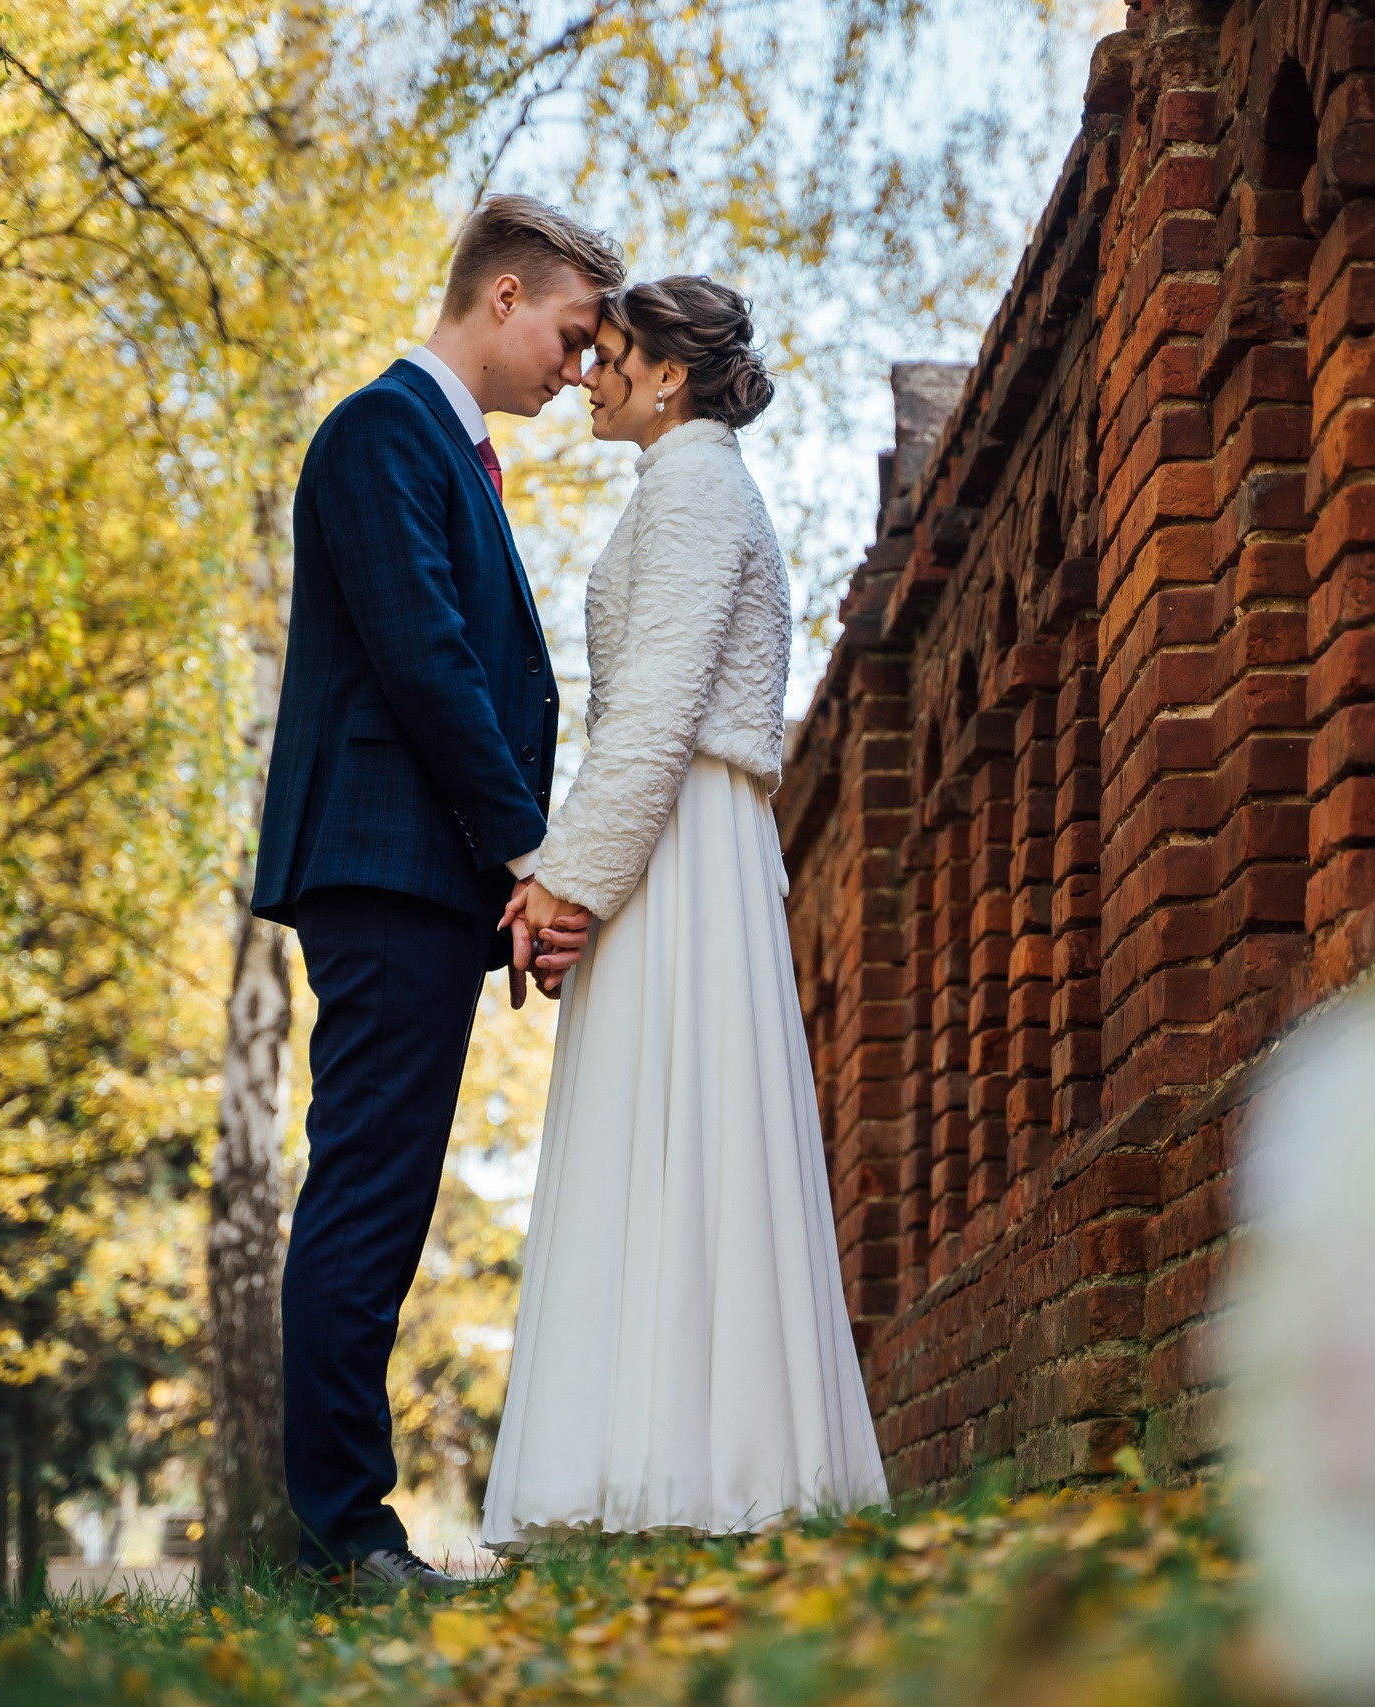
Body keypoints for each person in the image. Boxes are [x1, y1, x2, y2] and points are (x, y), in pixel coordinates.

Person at [479, 277, 891, 1549]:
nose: (589, 378)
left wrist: (562, 884)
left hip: (684, 842)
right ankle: (662, 1462)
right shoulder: (685, 488)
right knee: (668, 1144)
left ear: (669, 377)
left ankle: (708, 1472)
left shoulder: (699, 492)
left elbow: (652, 715)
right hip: (674, 839)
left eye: (609, 358)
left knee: (688, 1137)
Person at [248, 194, 620, 1594]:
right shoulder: (379, 433)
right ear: (506, 295)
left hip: (418, 878)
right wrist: (527, 859)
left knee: (382, 1195)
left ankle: (344, 1527)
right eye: (575, 340)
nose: (578, 373)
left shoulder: (441, 451)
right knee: (364, 1195)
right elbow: (426, 658)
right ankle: (344, 1534)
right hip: (386, 871)